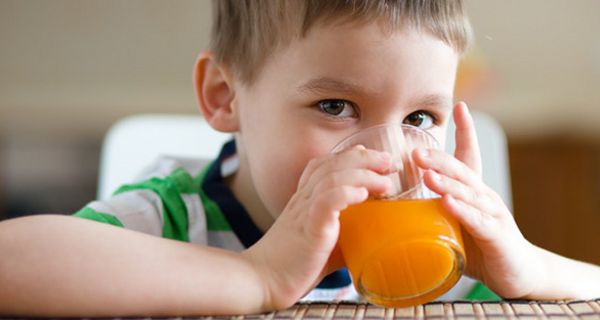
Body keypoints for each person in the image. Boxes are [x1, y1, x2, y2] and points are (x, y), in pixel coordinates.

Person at [1, 0, 600, 317]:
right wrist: (254, 275)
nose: (387, 157)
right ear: (225, 96)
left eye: (420, 119)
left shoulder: (441, 254)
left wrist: (528, 270)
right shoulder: (170, 219)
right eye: (336, 105)